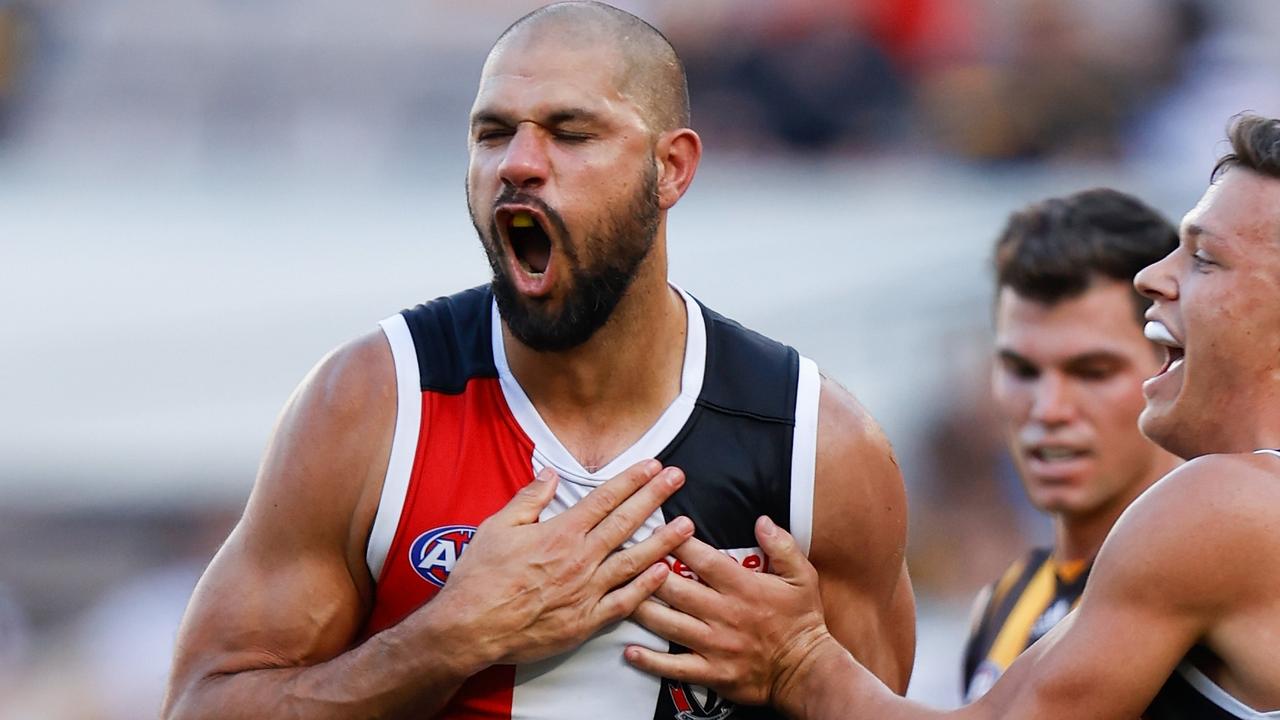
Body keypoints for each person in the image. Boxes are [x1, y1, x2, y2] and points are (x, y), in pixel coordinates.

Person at [162, 3, 915, 719]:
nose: (519, 163)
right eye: (492, 134)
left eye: (570, 133)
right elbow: (201, 703)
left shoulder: (818, 445)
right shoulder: (372, 405)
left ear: (672, 169)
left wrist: (803, 668)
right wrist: (442, 641)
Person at [624, 113, 1280, 719]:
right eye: (1021, 369)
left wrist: (801, 663)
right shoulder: (1016, 602)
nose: (1154, 277)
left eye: (1204, 257)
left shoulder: (1223, 506)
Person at [962, 189, 1182, 700]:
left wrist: (805, 662)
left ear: (1172, 364)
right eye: (1021, 370)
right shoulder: (1002, 603)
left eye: (1092, 372)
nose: (1048, 408)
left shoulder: (1230, 580)